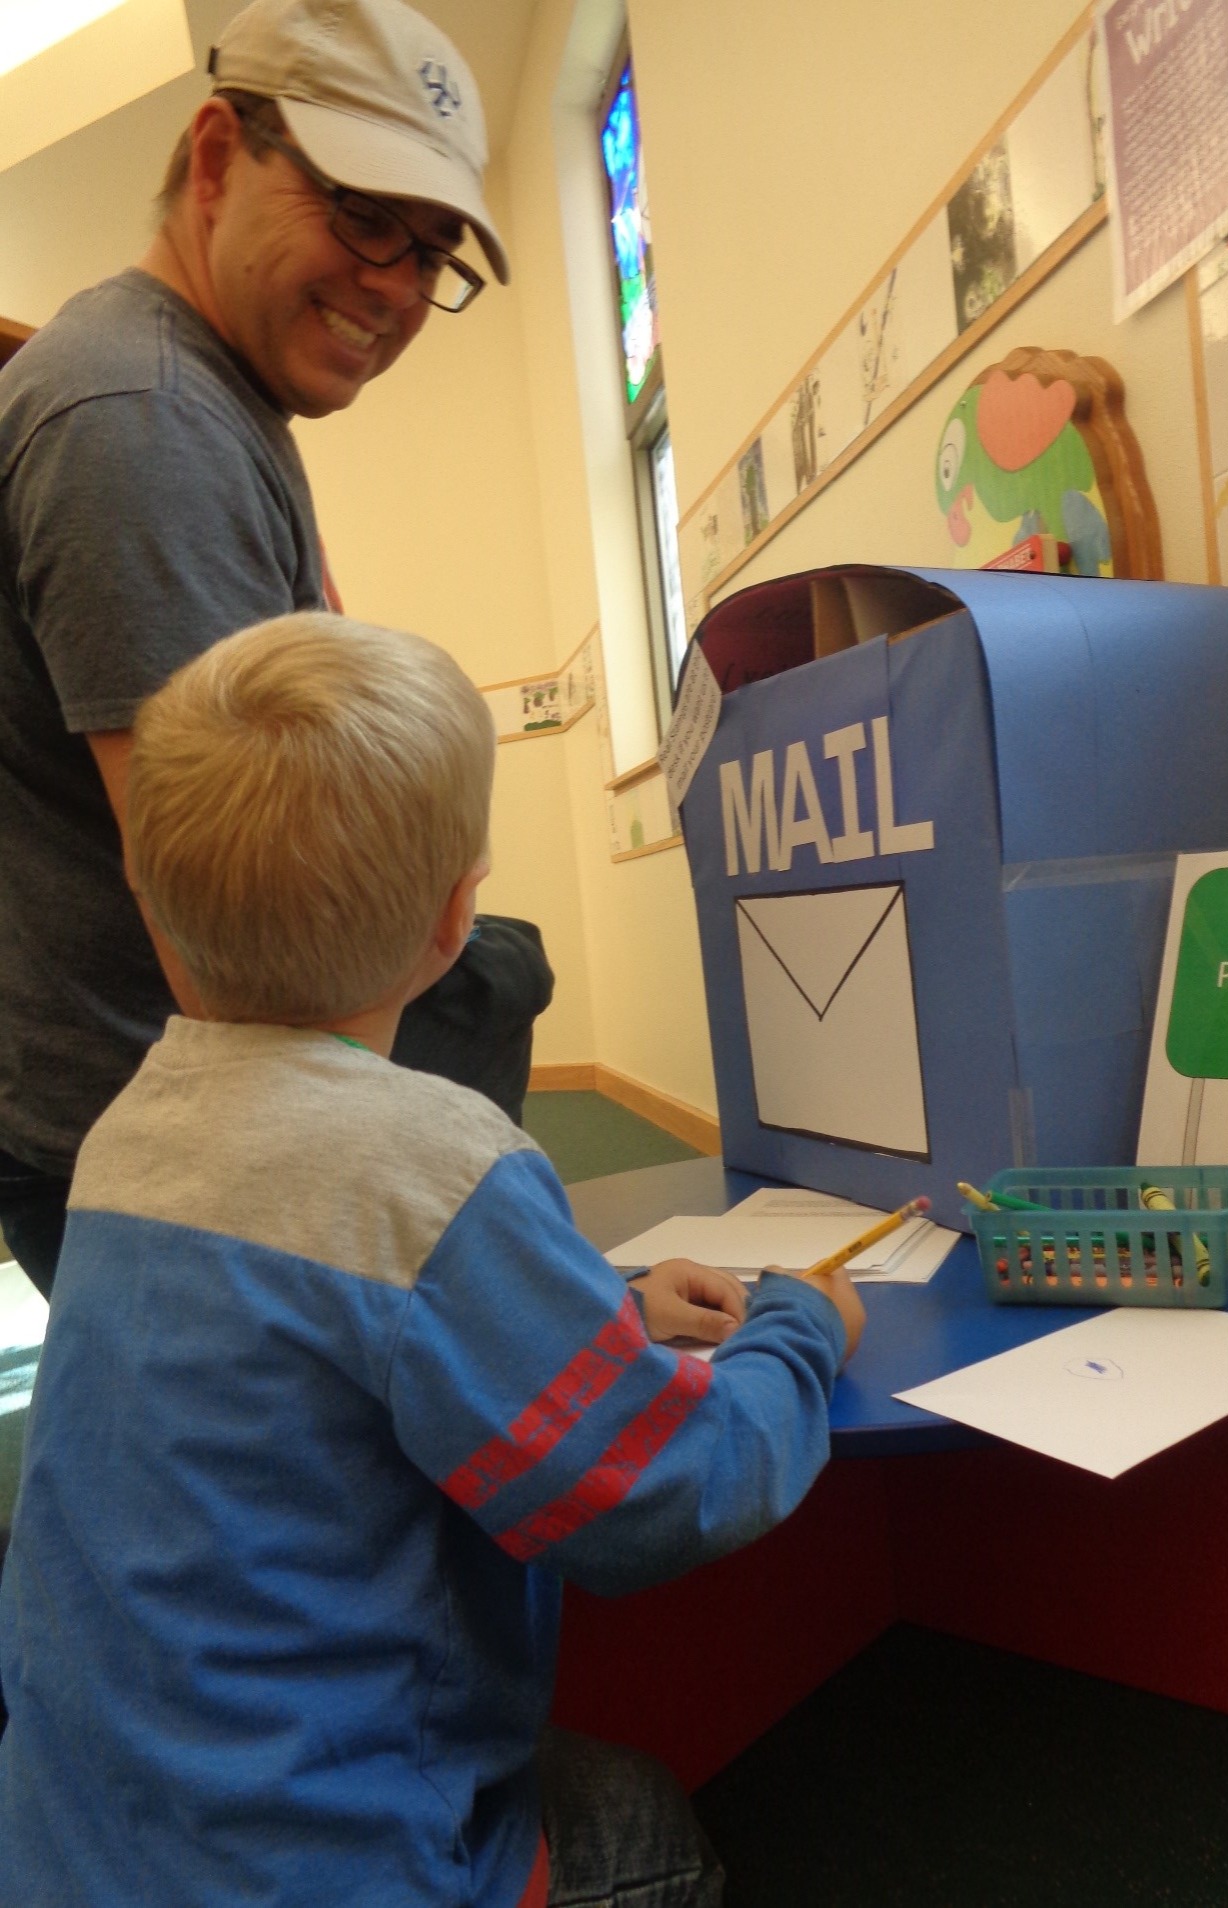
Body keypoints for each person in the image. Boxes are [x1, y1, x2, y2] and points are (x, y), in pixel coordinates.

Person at [0, 609, 867, 1907]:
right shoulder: (437, 1165)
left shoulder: (128, 1133)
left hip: (72, 1851)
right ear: (461, 914)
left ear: (148, 897)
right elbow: (665, 1491)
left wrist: (607, 1306)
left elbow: (319, 1323)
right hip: (323, 1876)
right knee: (645, 1825)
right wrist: (802, 1331)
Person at [0, 0, 534, 1298]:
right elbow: (236, 947)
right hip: (184, 1160)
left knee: (488, 962)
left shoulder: (202, 393)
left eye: (432, 252)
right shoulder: (145, 421)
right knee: (488, 975)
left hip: (166, 1125)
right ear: (215, 159)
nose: (396, 285)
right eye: (364, 215)